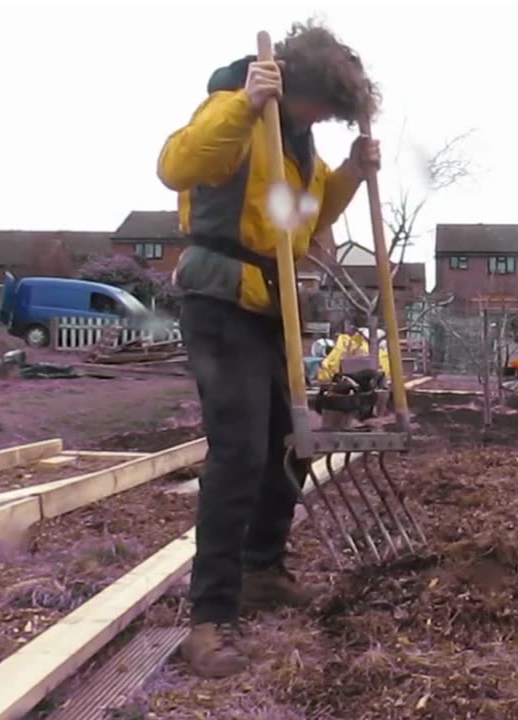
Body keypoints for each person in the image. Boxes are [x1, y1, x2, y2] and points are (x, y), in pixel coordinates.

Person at [155, 19, 381, 679]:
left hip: (271, 305)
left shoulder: (299, 139)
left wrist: (347, 174)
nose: (324, 119)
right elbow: (176, 165)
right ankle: (210, 618)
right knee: (239, 453)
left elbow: (302, 222)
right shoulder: (237, 103)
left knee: (291, 440)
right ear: (300, 86)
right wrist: (248, 103)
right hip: (220, 300)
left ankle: (261, 570)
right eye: (322, 107)